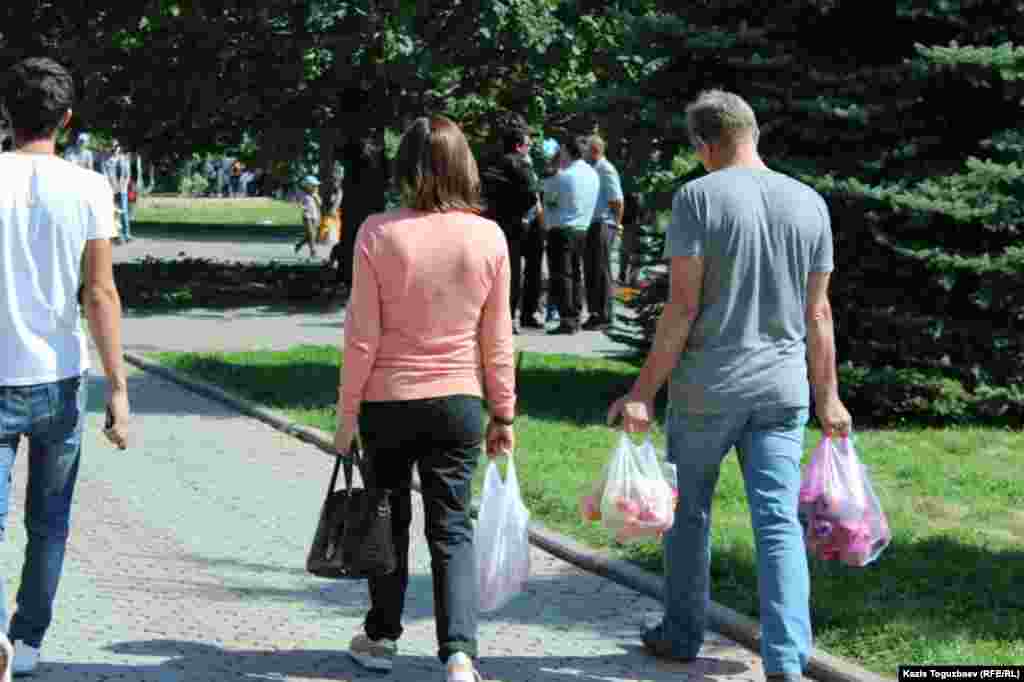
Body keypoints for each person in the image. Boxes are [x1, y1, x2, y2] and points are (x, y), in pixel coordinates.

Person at [606, 90, 852, 682]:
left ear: (704, 145)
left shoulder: (697, 198)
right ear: (755, 132)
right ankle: (787, 662)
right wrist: (830, 399)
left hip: (706, 390)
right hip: (782, 392)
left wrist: (642, 391)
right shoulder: (810, 202)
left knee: (688, 515)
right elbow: (819, 314)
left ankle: (682, 634)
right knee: (778, 523)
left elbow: (681, 309)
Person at [334, 115, 515, 682]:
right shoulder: (488, 236)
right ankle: (459, 653)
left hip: (387, 400)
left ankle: (382, 637)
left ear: (405, 167)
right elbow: (499, 338)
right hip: (459, 400)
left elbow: (361, 336)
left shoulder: (377, 233)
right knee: (452, 526)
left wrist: (346, 416)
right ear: (464, 165)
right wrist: (503, 411)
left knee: (387, 519)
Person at [0, 57, 130, 679]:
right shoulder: (88, 188)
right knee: (48, 524)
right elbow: (99, 295)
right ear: (67, 119)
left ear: (6, 114)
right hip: (59, 379)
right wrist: (120, 389)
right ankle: (26, 644)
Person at [480, 113, 541, 334]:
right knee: (512, 272)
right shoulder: (520, 164)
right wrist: (522, 212)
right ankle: (508, 317)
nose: (530, 147)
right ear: (518, 145)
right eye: (527, 144)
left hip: (491, 222)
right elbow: (532, 196)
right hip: (513, 225)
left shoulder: (490, 162)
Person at [543, 136, 599, 335]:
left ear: (566, 150)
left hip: (562, 228)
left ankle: (567, 319)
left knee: (562, 275)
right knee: (576, 274)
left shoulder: (563, 176)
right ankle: (575, 314)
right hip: (582, 228)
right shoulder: (593, 174)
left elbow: (549, 201)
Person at [583, 134, 624, 331]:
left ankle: (605, 315)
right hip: (592, 224)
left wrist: (616, 224)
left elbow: (617, 200)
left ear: (595, 150)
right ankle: (595, 313)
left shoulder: (605, 170)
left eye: (586, 149)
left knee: (602, 271)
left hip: (603, 224)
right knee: (592, 270)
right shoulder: (592, 169)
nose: (582, 154)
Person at [103, 141, 132, 242]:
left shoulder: (124, 159)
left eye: (116, 146)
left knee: (124, 212)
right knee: (113, 212)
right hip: (111, 190)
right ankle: (116, 235)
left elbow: (128, 175)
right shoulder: (106, 160)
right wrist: (111, 187)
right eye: (113, 146)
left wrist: (123, 185)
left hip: (122, 189)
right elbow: (105, 175)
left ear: (120, 148)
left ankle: (127, 234)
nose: (114, 148)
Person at [293, 175, 321, 259]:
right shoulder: (301, 193)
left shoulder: (315, 193)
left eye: (316, 186)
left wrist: (316, 197)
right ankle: (313, 252)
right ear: (307, 185)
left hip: (315, 215)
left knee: (311, 235)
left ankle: (300, 244)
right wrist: (302, 207)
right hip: (307, 215)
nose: (315, 187)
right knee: (311, 234)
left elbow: (320, 204)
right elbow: (299, 203)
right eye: (313, 186)